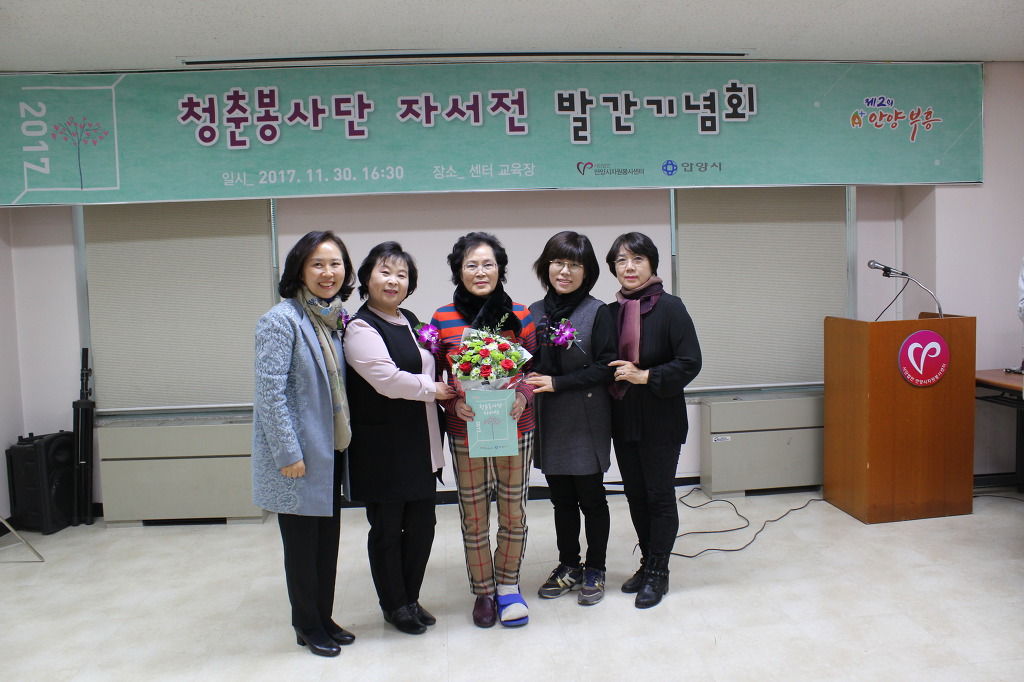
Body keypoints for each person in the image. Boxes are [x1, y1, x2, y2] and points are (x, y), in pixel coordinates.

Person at [252, 230, 357, 657]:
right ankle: (306, 624)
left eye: (335, 264)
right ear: (299, 270)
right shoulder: (280, 320)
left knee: (326, 543)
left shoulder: (334, 320)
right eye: (317, 264)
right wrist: (287, 452)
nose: (327, 273)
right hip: (297, 457)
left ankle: (323, 617)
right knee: (301, 547)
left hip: (329, 451)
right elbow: (270, 393)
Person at [344, 242, 454, 635]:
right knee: (388, 530)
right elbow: (387, 380)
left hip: (420, 443)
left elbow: (428, 365)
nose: (393, 281)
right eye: (385, 272)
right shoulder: (360, 327)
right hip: (384, 449)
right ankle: (393, 604)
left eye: (402, 275)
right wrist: (434, 390)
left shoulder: (410, 319)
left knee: (423, 526)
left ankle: (410, 598)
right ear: (367, 278)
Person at [429, 231, 537, 628]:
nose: (480, 272)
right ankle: (483, 591)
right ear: (458, 271)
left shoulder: (520, 314)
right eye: (471, 265)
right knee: (474, 516)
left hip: (515, 427)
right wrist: (453, 404)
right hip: (466, 430)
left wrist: (523, 395)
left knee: (513, 512)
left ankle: (508, 585)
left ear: (500, 269)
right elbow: (435, 377)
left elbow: (534, 372)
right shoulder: (442, 318)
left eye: (487, 264)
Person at [605, 232, 702, 609]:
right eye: (621, 260)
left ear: (652, 264)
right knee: (635, 494)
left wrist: (646, 376)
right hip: (623, 418)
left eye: (637, 259)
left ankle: (659, 572)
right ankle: (647, 563)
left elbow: (690, 362)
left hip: (661, 416)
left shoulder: (671, 307)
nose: (629, 267)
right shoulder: (610, 312)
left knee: (659, 495)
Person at [525, 231, 616, 606]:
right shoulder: (534, 312)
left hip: (585, 418)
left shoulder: (597, 311)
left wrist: (557, 382)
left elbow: (606, 368)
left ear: (587, 272)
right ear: (546, 267)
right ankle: (568, 565)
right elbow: (525, 362)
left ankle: (595, 567)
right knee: (561, 500)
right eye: (558, 263)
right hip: (549, 419)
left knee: (591, 499)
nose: (565, 271)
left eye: (574, 265)